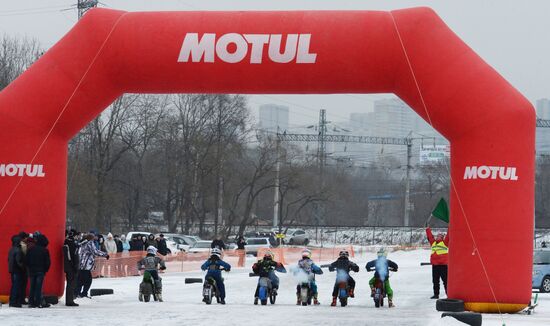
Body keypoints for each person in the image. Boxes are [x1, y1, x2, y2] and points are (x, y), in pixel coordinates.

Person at [75, 233, 109, 298]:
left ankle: (77, 293)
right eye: (94, 237)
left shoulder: (82, 243)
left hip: (81, 264)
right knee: (88, 280)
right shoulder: (90, 243)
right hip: (86, 265)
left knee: (80, 280)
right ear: (91, 238)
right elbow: (95, 251)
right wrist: (105, 255)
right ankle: (83, 293)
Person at [25, 233, 51, 308]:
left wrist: (30, 267)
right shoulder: (45, 250)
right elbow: (48, 262)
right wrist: (45, 270)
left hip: (32, 271)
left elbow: (26, 260)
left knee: (32, 287)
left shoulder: (31, 249)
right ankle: (38, 302)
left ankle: (31, 302)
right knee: (38, 288)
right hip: (41, 271)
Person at [426, 226, 449, 299]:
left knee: (445, 281)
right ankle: (436, 294)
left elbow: (449, 235)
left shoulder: (445, 243)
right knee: (435, 281)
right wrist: (427, 229)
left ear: (442, 238)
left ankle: (448, 294)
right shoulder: (433, 243)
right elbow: (430, 237)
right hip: (435, 266)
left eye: (439, 236)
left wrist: (450, 227)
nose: (437, 237)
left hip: (443, 266)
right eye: (437, 236)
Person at [62, 229, 80, 306]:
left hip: (67, 266)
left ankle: (69, 300)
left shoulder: (66, 243)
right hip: (71, 267)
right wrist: (75, 266)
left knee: (70, 283)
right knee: (71, 284)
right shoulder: (72, 244)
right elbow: (74, 257)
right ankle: (69, 301)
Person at [8, 235, 25, 307]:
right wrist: (23, 268)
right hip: (17, 270)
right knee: (16, 286)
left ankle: (12, 300)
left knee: (13, 286)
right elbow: (18, 262)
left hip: (12, 270)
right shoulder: (18, 250)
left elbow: (9, 260)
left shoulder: (11, 249)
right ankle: (14, 302)